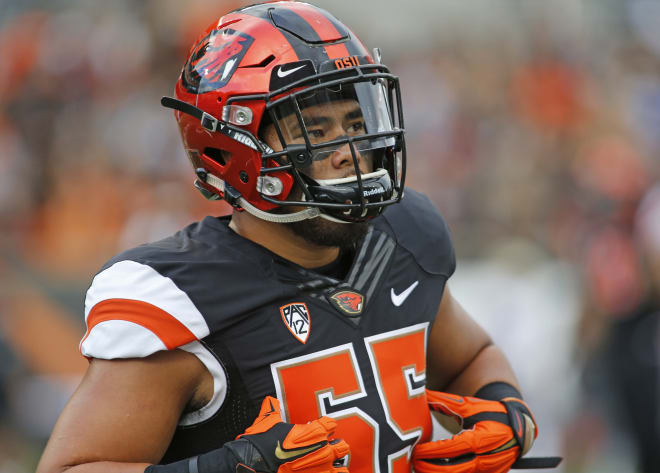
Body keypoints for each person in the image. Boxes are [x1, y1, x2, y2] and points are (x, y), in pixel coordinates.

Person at [36, 3, 550, 473]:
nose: (352, 150)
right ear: (235, 147)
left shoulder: (403, 236)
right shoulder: (184, 299)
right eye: (316, 130)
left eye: (355, 121)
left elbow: (468, 357)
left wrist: (506, 410)